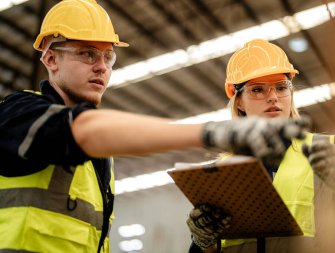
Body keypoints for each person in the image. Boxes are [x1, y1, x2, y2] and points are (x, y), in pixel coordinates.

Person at [0, 1, 310, 253]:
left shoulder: (101, 160)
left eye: (108, 56)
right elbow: (80, 129)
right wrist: (207, 133)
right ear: (51, 59)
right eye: (87, 53)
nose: (101, 67)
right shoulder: (18, 114)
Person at [186, 39, 335, 253]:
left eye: (281, 87)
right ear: (238, 101)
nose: (273, 97)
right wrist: (201, 242)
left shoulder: (325, 150)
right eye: (258, 89)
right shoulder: (221, 173)